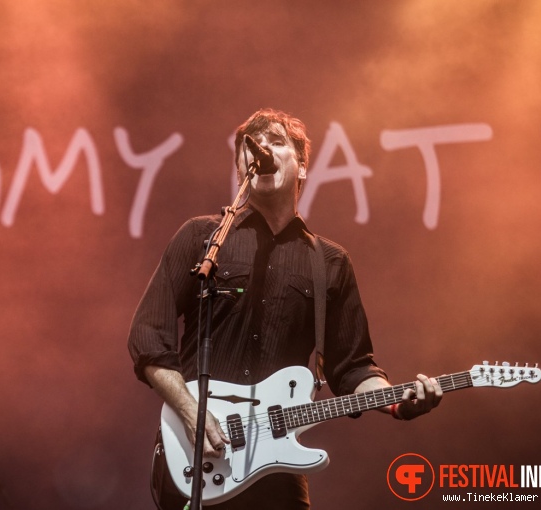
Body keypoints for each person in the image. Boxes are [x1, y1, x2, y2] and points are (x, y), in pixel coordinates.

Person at [127, 108, 442, 509]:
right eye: (251, 146)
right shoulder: (202, 239)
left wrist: (398, 400)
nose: (262, 150)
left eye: (276, 142)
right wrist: (191, 411)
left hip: (276, 468)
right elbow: (147, 336)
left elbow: (352, 367)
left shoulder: (329, 261)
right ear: (241, 167)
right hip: (197, 457)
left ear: (303, 167)